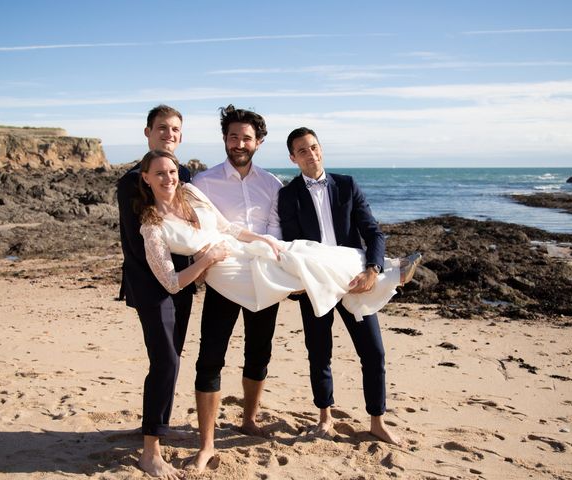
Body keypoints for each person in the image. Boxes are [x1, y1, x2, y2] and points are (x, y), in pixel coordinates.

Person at [137, 149, 421, 463]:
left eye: (172, 172)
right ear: (146, 178)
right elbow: (172, 282)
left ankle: (384, 269)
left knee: (299, 251)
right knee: (294, 272)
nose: (168, 179)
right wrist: (206, 259)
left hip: (240, 248)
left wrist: (263, 239)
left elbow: (227, 227)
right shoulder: (152, 226)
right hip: (224, 271)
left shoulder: (190, 192)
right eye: (160, 173)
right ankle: (390, 272)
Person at [277, 127, 419, 445]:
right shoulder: (288, 195)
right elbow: (290, 243)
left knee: (373, 352)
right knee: (319, 352)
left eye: (314, 147)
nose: (310, 154)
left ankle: (377, 422)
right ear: (292, 158)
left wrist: (372, 270)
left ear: (321, 149)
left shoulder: (347, 184)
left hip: (355, 279)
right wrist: (295, 281)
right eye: (302, 150)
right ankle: (324, 418)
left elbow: (373, 232)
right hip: (314, 282)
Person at [187, 105, 283, 472]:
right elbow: (199, 232)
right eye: (233, 137)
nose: (239, 143)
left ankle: (248, 420)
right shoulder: (203, 182)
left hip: (262, 278)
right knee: (210, 357)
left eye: (246, 137)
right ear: (224, 140)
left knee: (259, 353)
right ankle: (207, 442)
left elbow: (275, 231)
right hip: (223, 279)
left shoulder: (272, 183)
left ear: (258, 141)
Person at [117, 104, 194, 479]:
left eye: (175, 129)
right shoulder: (132, 180)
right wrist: (168, 283)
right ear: (147, 132)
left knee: (170, 359)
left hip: (183, 284)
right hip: (152, 286)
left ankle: (154, 425)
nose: (169, 133)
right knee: (166, 361)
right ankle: (150, 452)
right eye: (162, 128)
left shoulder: (185, 174)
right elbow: (136, 244)